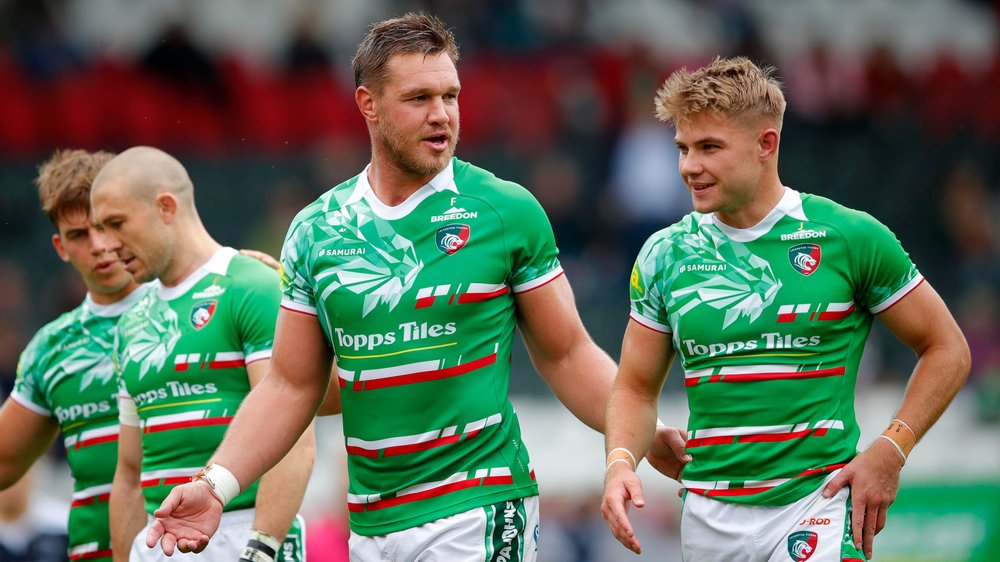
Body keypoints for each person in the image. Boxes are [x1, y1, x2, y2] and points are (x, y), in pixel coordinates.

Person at [143, 12, 686, 562]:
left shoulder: (505, 211)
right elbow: (289, 385)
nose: (442, 115)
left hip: (480, 507)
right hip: (372, 525)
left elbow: (568, 353)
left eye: (450, 96)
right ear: (368, 104)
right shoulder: (315, 231)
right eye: (419, 98)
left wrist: (642, 427)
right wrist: (216, 485)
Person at [600, 56, 970, 562]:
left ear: (765, 144)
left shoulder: (847, 236)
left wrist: (892, 449)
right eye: (683, 148)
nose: (689, 165)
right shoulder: (665, 254)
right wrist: (621, 461)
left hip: (819, 503)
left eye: (709, 147)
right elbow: (636, 386)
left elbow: (947, 348)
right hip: (708, 515)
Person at [89, 146, 316, 562]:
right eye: (99, 229)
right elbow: (128, 474)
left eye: (116, 224)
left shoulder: (250, 286)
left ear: (165, 207)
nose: (104, 244)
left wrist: (261, 549)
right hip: (158, 541)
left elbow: (295, 439)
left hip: (242, 529)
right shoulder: (131, 322)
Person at [0, 149, 142, 562]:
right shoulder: (50, 349)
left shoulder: (200, 305)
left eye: (106, 226)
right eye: (80, 235)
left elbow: (297, 393)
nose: (99, 246)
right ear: (61, 247)